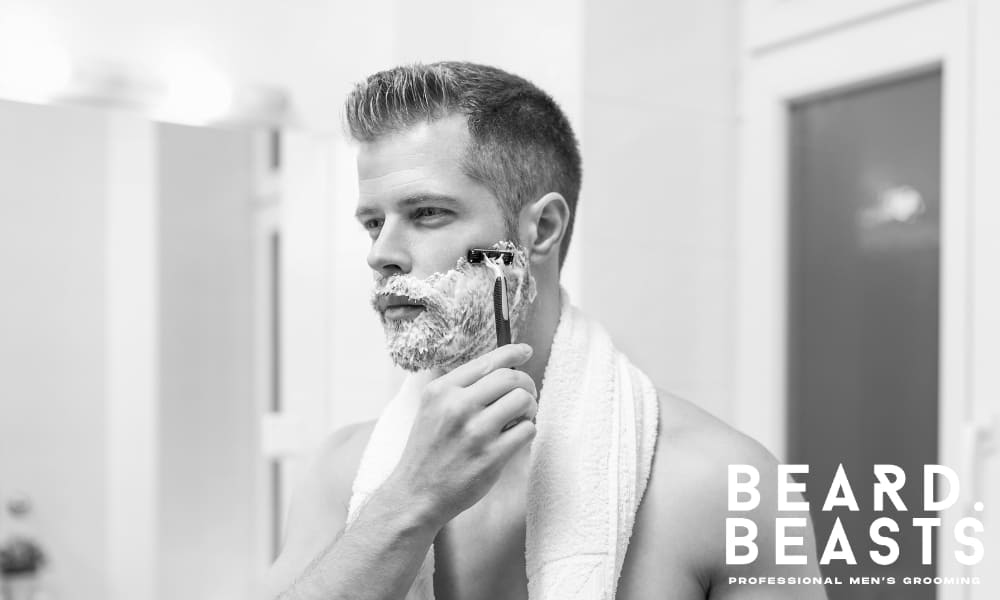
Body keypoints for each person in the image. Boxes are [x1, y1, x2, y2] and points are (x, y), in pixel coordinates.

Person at [263, 62, 827, 600]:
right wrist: (410, 501)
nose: (381, 253)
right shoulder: (345, 471)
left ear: (542, 229)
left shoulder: (717, 482)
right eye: (372, 223)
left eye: (428, 212)